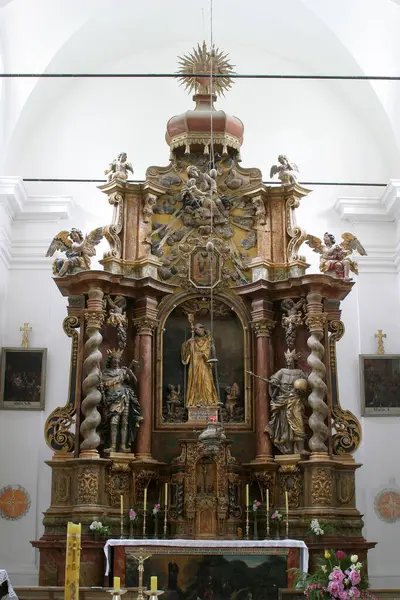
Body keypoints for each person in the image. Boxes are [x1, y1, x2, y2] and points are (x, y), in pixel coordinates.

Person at [265, 350, 308, 454]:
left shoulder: (300, 373)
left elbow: (306, 386)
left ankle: (300, 448)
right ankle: (287, 447)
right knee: (284, 425)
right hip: (282, 401)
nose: (289, 362)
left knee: (298, 422)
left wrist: (302, 388)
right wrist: (274, 383)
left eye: (291, 360)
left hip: (295, 400)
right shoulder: (281, 371)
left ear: (294, 361)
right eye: (287, 360)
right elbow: (273, 380)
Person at [101, 349, 143, 453]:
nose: (116, 361)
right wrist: (118, 379)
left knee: (125, 422)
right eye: (114, 359)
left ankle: (123, 446)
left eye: (118, 359)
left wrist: (130, 373)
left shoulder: (123, 371)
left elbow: (135, 382)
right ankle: (113, 445)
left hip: (124, 396)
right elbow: (104, 384)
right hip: (112, 398)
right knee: (114, 422)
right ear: (110, 360)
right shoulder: (106, 372)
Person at [181, 323, 219, 408]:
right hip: (195, 363)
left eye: (198, 329)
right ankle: (195, 402)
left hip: (205, 364)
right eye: (195, 330)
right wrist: (188, 344)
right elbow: (187, 352)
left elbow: (212, 352)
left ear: (202, 329)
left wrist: (204, 354)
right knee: (196, 382)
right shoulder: (193, 340)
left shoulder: (209, 339)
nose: (197, 331)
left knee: (207, 383)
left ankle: (209, 402)